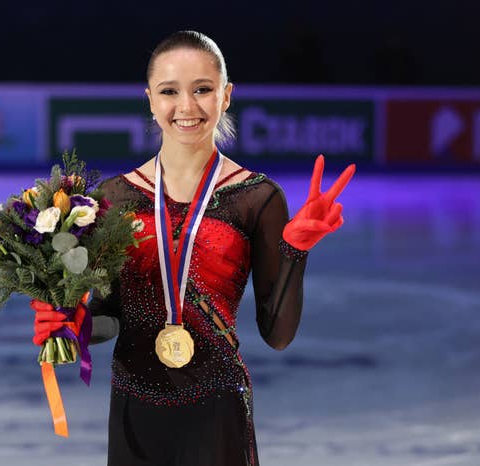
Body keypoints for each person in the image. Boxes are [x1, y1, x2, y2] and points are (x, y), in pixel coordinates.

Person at [32, 30, 355, 466]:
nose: (186, 107)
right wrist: (74, 326)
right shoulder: (114, 198)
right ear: (150, 99)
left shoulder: (256, 198)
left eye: (203, 89)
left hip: (218, 414)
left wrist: (294, 251)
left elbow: (277, 336)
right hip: (134, 414)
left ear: (226, 96)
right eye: (170, 91)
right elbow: (110, 318)